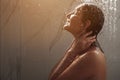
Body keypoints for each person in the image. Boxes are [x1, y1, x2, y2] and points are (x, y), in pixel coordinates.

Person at [49, 3, 106, 80]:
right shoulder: (81, 49)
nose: (68, 15)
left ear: (86, 24)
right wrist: (73, 49)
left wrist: (72, 52)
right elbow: (52, 76)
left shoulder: (91, 56)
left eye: (75, 12)